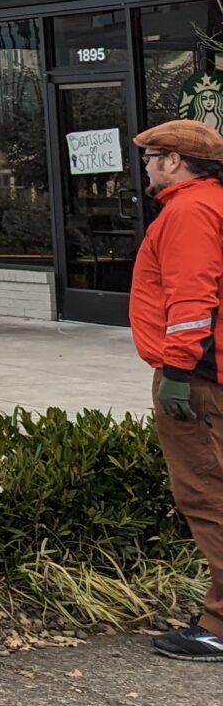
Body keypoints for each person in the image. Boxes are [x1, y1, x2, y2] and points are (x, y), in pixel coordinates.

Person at [125, 120, 223, 660]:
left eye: (150, 156)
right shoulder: (214, 202)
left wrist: (179, 374)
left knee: (207, 496)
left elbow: (191, 299)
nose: (145, 165)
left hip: (201, 378)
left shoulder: (187, 212)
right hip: (214, 371)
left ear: (175, 161)